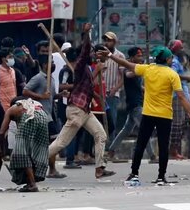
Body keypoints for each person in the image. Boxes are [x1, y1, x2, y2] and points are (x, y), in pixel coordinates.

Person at [100, 46, 190, 185]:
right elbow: (181, 97)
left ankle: (134, 173)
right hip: (165, 115)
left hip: (148, 113)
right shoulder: (171, 74)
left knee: (141, 144)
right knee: (163, 146)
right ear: (168, 59)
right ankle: (161, 176)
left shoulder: (148, 69)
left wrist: (110, 55)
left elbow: (126, 64)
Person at [47, 23, 115, 179]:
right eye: (91, 52)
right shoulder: (80, 65)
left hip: (84, 110)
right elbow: (85, 51)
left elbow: (90, 89)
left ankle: (99, 168)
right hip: (77, 110)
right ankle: (31, 162)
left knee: (100, 135)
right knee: (61, 143)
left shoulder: (87, 69)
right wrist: (86, 34)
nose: (92, 54)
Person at [107, 47, 156, 162]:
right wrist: (144, 68)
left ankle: (111, 150)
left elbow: (138, 86)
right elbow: (129, 75)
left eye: (141, 56)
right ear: (132, 57)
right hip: (135, 105)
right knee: (145, 129)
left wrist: (146, 89)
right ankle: (153, 156)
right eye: (138, 56)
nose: (140, 58)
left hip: (137, 103)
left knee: (126, 130)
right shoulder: (127, 70)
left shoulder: (138, 69)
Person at [0, 97, 50, 192]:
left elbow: (2, 132)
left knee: (22, 152)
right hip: (43, 116)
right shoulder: (29, 104)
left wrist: (1, 150)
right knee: (38, 149)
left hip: (29, 116)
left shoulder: (11, 110)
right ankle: (30, 181)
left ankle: (32, 184)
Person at [23, 55, 59, 138]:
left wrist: (62, 95)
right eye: (51, 63)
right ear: (44, 65)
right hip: (41, 114)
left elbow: (52, 96)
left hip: (50, 114)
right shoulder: (38, 78)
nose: (53, 64)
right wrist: (41, 96)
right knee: (54, 138)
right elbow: (25, 91)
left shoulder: (51, 79)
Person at [168, 39, 190, 160]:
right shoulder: (174, 61)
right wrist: (186, 77)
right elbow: (172, 74)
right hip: (177, 95)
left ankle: (176, 149)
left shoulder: (178, 61)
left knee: (183, 122)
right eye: (180, 47)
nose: (182, 50)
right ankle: (173, 150)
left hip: (182, 94)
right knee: (177, 123)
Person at [101, 32, 125, 141]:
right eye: (105, 40)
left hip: (112, 93)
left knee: (112, 121)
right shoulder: (100, 54)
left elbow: (122, 78)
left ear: (114, 42)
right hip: (99, 94)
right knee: (99, 122)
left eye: (109, 40)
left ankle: (110, 148)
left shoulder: (120, 56)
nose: (106, 42)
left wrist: (114, 89)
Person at [0, 48, 22, 112]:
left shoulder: (13, 71)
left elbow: (14, 87)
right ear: (3, 59)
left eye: (12, 57)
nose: (12, 59)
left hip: (14, 105)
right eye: (10, 57)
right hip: (3, 106)